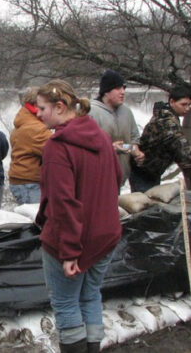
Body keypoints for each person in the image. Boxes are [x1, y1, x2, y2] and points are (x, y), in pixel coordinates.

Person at [34, 79, 122, 353]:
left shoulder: (57, 147)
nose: (38, 113)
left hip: (71, 241)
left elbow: (62, 204)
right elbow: (117, 180)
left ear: (60, 107)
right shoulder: (103, 139)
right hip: (106, 236)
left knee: (66, 303)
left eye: (42, 108)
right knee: (90, 296)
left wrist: (70, 251)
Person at [130, 85, 191, 193]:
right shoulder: (165, 120)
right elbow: (178, 141)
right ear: (172, 102)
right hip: (143, 171)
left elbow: (174, 148)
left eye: (189, 105)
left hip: (152, 170)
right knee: (145, 205)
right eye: (183, 104)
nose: (187, 108)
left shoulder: (169, 116)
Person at [89, 69, 145, 185]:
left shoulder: (127, 112)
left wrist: (137, 152)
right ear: (106, 91)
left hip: (120, 178)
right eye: (118, 88)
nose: (123, 92)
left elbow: (134, 138)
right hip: (97, 179)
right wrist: (110, 148)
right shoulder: (91, 112)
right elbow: (84, 146)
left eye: (124, 88)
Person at [8, 87, 53, 204]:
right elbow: (56, 151)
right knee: (35, 219)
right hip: (29, 182)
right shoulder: (35, 128)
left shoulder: (24, 120)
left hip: (22, 180)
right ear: (36, 105)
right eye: (44, 105)